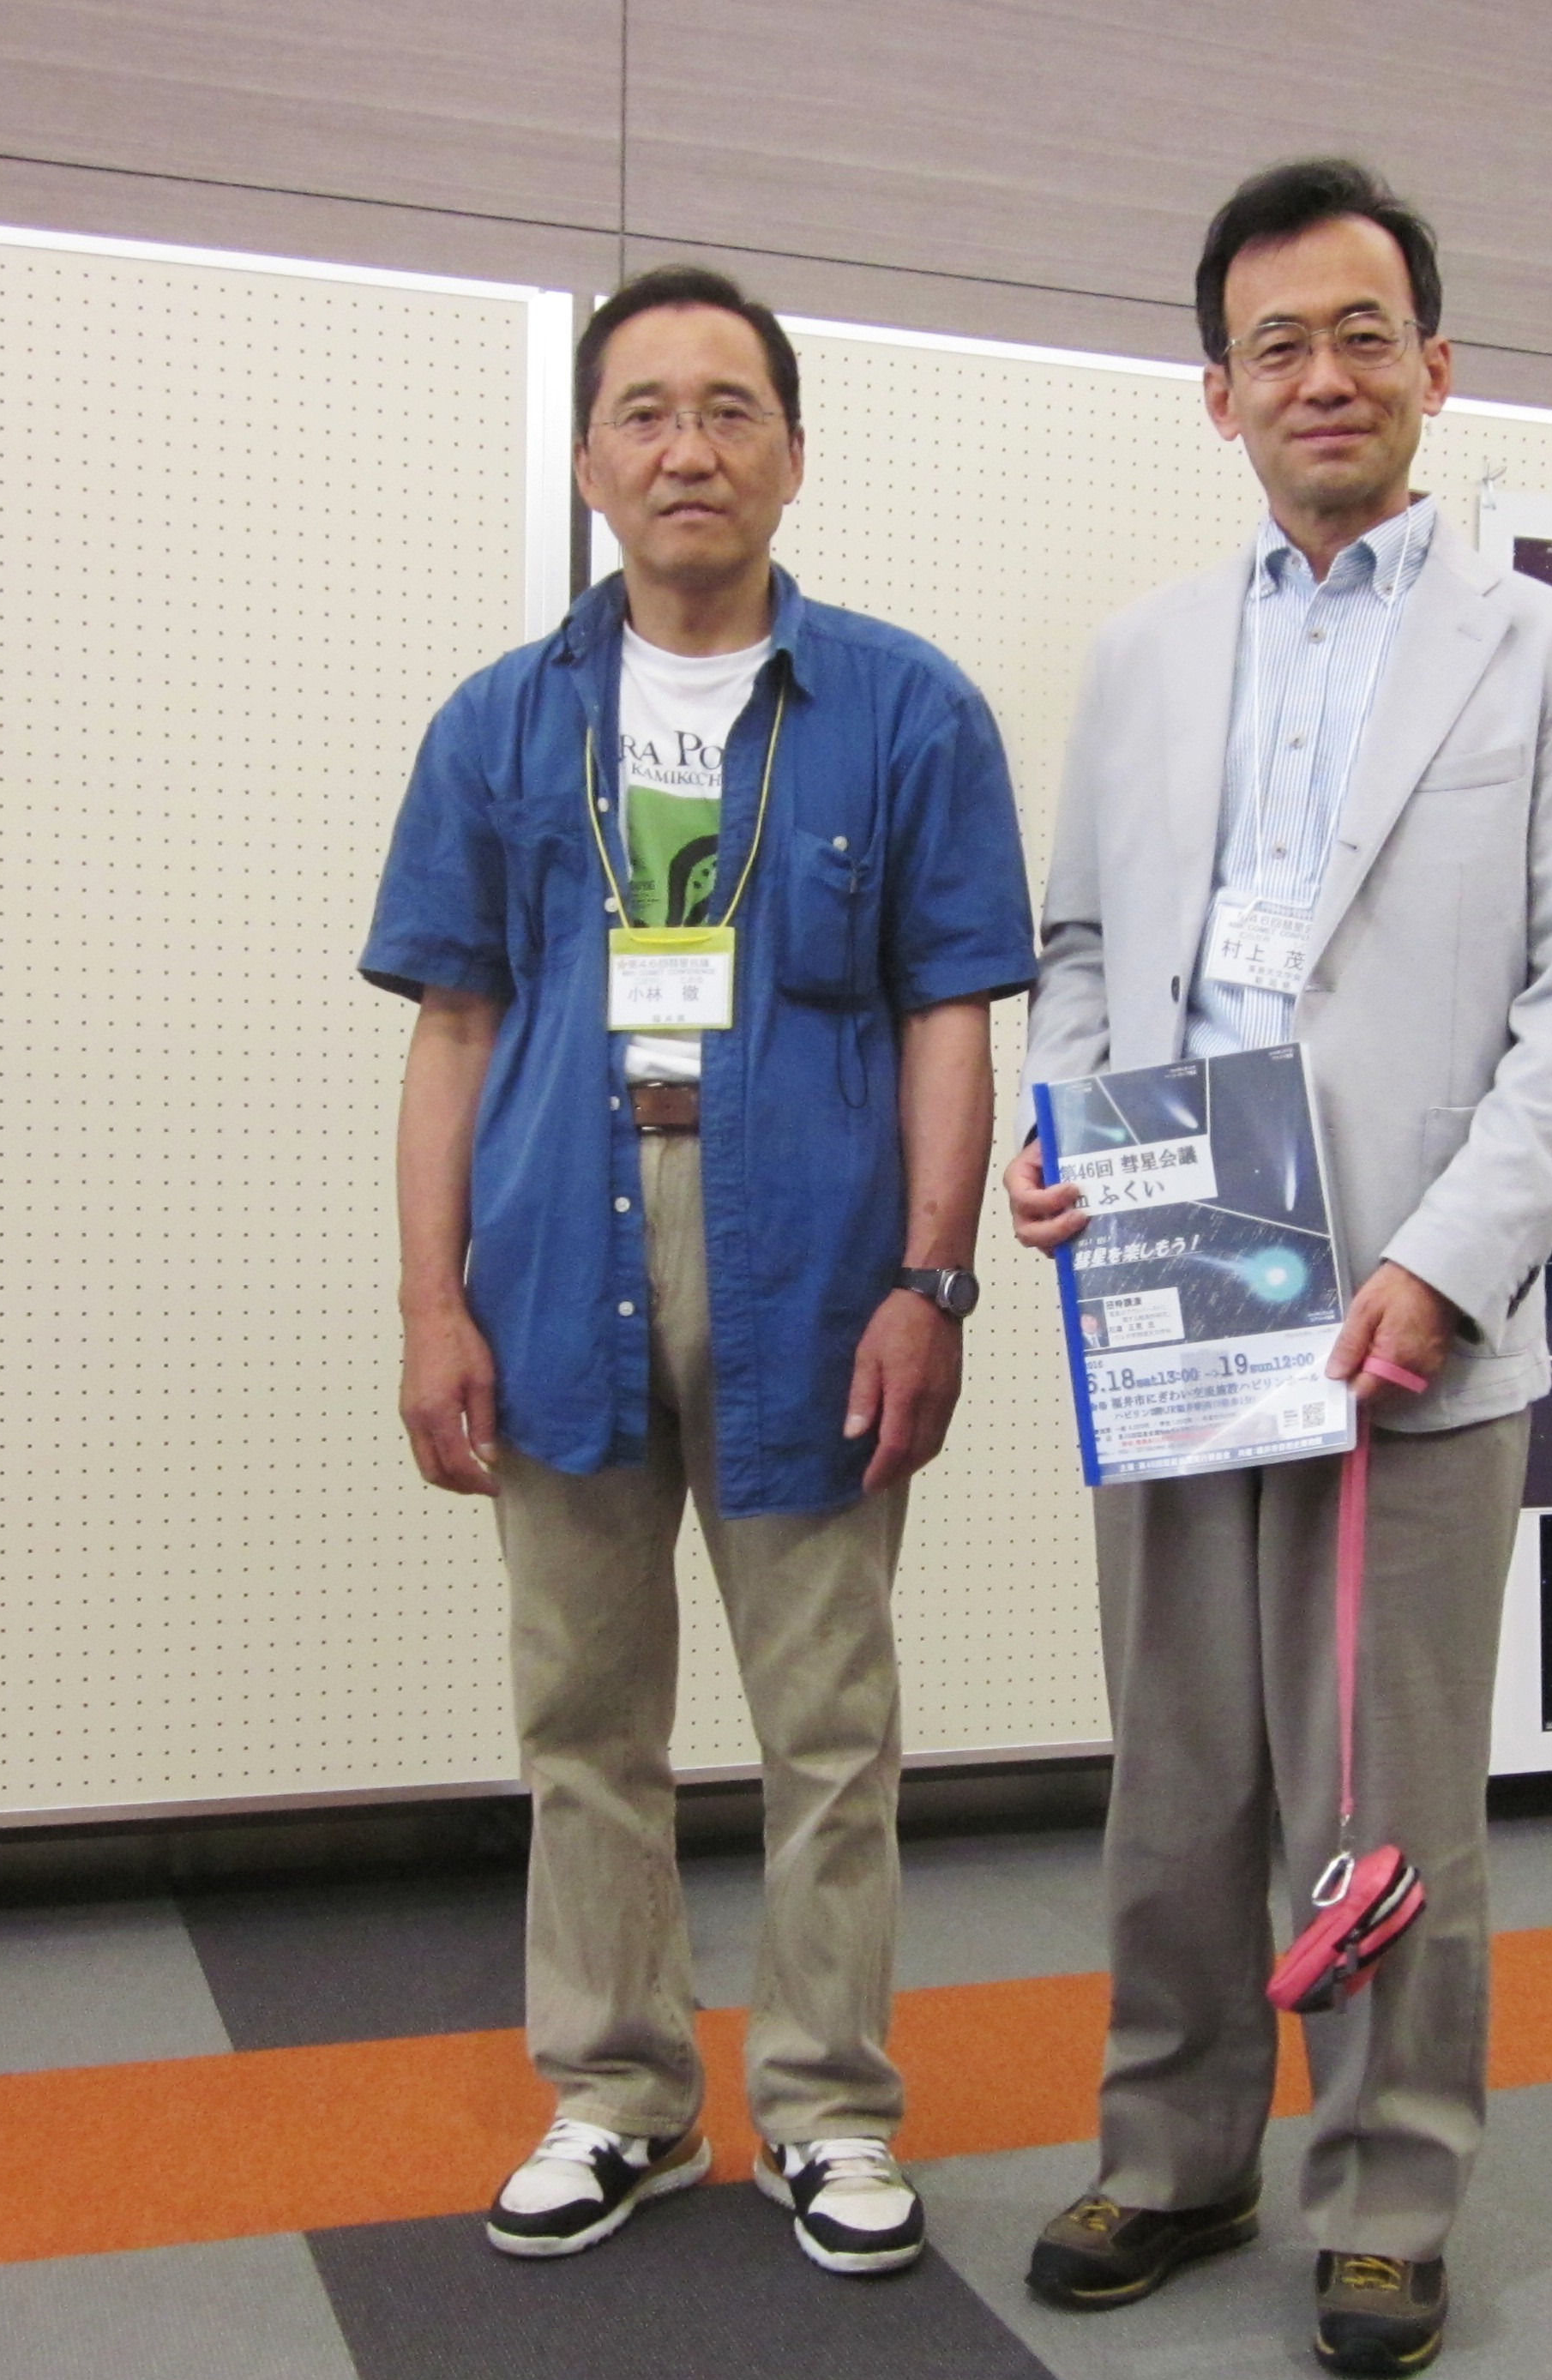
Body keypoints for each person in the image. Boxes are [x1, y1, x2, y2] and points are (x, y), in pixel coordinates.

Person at [1003, 161, 1552, 2377]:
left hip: (1410, 1321)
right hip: (1188, 1286)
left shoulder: (1550, 656)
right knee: (1179, 1771)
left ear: (1436, 369)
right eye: (1277, 344)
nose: (1324, 376)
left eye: (1364, 334)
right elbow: (1080, 949)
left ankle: (1386, 2191)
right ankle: (1175, 2152)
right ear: (1217, 395)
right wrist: (1075, 1150)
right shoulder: (1146, 656)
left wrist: (1455, 1269)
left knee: (1387, 1796)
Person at [364, 266, 1033, 2277]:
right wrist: (427, 1298)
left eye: (729, 410)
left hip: (816, 1259)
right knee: (584, 1712)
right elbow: (454, 1033)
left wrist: (931, 1276)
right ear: (586, 461)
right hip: (559, 1236)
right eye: (643, 411)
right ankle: (619, 2094)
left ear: (792, 457)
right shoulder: (501, 723)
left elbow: (946, 1019)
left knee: (827, 1717)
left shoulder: (906, 709)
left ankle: (827, 2107)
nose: (686, 447)